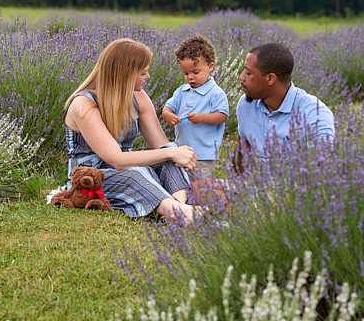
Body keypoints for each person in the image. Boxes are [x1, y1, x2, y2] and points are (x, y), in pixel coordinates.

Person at [62, 38, 200, 224]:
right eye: (142, 72)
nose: (148, 76)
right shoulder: (84, 103)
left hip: (129, 168)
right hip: (91, 177)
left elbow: (161, 146)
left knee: (169, 152)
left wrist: (175, 152)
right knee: (137, 174)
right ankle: (179, 210)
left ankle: (178, 207)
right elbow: (116, 160)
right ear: (125, 74)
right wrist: (171, 152)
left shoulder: (139, 97)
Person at [234, 42, 335, 172]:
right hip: (260, 188)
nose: (241, 77)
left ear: (270, 78)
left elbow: (321, 169)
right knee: (201, 186)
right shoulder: (246, 104)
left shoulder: (314, 113)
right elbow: (241, 157)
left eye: (248, 73)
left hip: (297, 188)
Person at [162, 35, 229, 181]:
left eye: (195, 72)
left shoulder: (215, 93)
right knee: (181, 183)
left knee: (200, 185)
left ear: (210, 67)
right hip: (181, 152)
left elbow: (222, 116)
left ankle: (204, 202)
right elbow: (168, 107)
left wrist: (202, 117)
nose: (190, 77)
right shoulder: (181, 91)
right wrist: (168, 115)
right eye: (186, 73)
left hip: (203, 154)